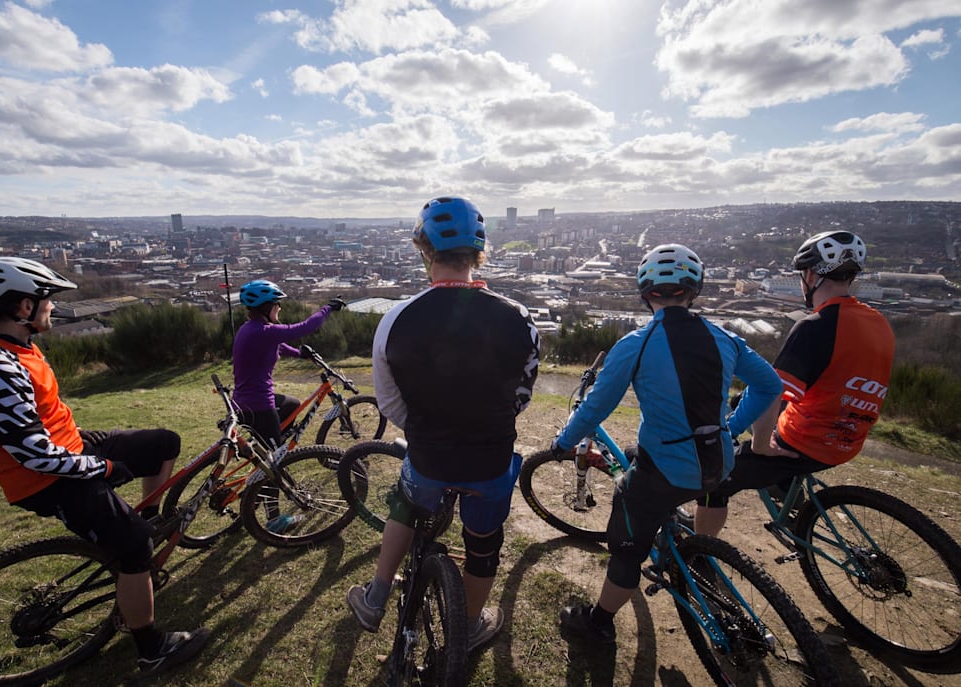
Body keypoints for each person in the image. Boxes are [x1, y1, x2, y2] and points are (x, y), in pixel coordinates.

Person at [0, 256, 209, 676]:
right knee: (134, 548)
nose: (52, 306)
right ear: (23, 308)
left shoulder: (15, 344)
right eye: (47, 300)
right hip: (47, 479)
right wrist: (103, 469)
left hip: (69, 448)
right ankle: (151, 648)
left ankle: (141, 523)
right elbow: (33, 454)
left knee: (163, 443)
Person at [551, 244, 784, 644]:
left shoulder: (635, 344)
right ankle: (679, 538)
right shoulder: (724, 337)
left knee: (627, 543)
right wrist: (730, 425)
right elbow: (770, 386)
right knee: (632, 456)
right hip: (720, 462)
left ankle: (598, 623)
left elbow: (594, 409)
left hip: (665, 471)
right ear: (694, 289)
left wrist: (563, 442)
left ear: (646, 293)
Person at [346, 196, 540, 651]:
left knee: (406, 505)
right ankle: (470, 625)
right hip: (490, 459)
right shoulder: (518, 317)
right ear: (479, 253)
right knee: (483, 542)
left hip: (429, 455)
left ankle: (376, 596)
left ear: (424, 251)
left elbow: (389, 402)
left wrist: (428, 427)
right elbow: (522, 396)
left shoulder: (395, 319)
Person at [695, 230, 895, 536]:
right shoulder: (878, 322)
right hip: (849, 439)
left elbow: (772, 391)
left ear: (811, 274)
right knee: (741, 403)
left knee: (712, 479)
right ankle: (789, 496)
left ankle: (699, 553)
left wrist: (762, 446)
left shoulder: (815, 327)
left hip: (805, 444)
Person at [231, 279, 345, 448]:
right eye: (277, 303)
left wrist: (299, 354)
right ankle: (273, 451)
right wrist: (328, 308)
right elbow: (305, 327)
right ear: (266, 306)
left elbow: (278, 345)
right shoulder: (265, 331)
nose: (279, 307)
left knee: (292, 404)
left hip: (243, 401)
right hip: (258, 406)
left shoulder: (249, 328)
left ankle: (273, 440)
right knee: (274, 461)